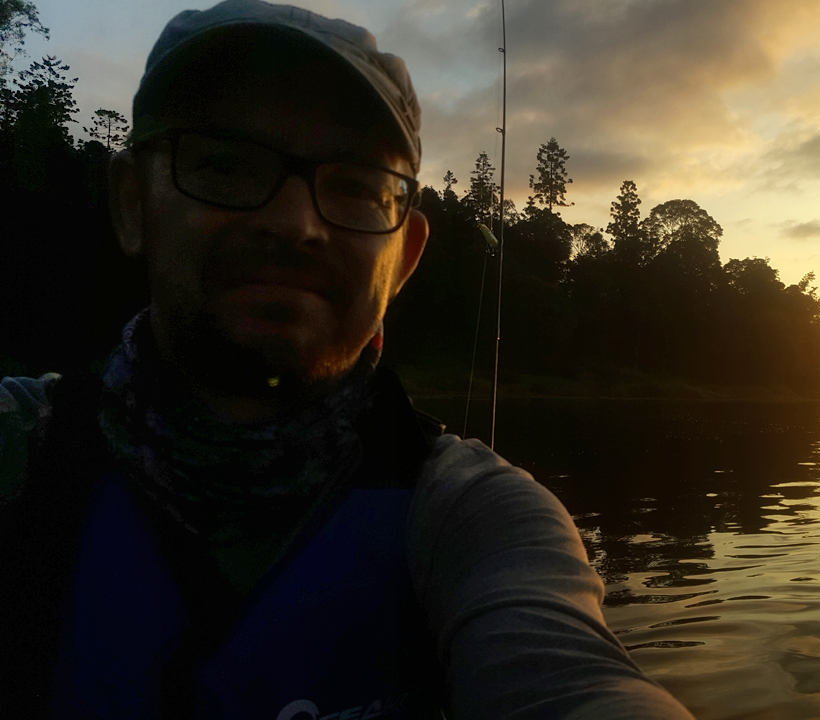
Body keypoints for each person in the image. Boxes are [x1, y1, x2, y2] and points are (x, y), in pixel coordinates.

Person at [0, 1, 694, 718]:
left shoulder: (473, 518)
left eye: (356, 186)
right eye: (226, 165)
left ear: (405, 259)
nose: (293, 224)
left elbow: (577, 688)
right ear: (132, 205)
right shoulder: (21, 448)